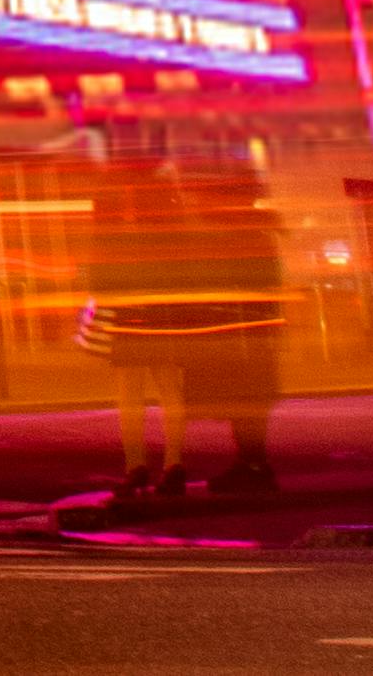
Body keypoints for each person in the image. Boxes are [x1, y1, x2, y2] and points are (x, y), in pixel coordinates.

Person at [74, 152, 200, 497]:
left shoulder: (107, 191)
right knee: (169, 385)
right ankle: (174, 464)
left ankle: (136, 466)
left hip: (124, 298)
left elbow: (100, 245)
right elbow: (183, 245)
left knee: (129, 390)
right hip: (161, 297)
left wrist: (98, 292)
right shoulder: (165, 191)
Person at [175, 159, 290, 495]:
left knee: (244, 403)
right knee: (245, 404)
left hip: (239, 335)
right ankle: (251, 463)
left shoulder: (240, 232)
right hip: (249, 334)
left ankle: (254, 466)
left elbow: (238, 282)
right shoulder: (255, 230)